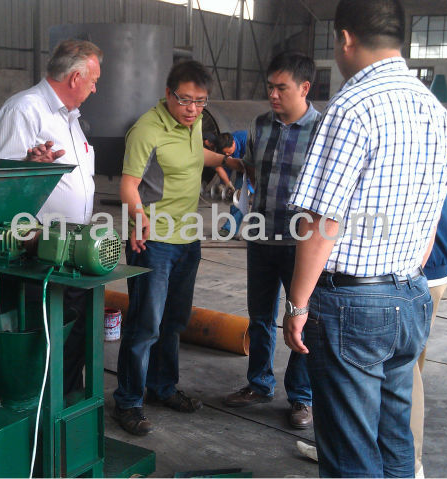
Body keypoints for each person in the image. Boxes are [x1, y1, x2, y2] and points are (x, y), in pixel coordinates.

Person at [282, 0, 447, 476]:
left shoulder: (352, 107)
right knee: (393, 438)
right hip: (410, 295)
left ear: (345, 39)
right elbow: (428, 223)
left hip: (353, 306)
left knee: (350, 450)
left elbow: (322, 221)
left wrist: (297, 304)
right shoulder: (436, 112)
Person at [112, 60, 242, 436]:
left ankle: (162, 388)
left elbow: (195, 155)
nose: (192, 109)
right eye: (185, 100)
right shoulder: (146, 130)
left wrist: (230, 161)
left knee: (173, 322)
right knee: (145, 324)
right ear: (168, 94)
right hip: (153, 242)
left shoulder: (193, 124)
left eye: (200, 102)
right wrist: (138, 217)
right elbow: (128, 185)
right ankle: (128, 401)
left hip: (187, 239)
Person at [0, 39, 102, 396]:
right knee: (43, 336)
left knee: (74, 331)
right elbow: (1, 188)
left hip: (71, 250)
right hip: (37, 254)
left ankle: (65, 400)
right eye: (93, 81)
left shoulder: (71, 119)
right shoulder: (25, 110)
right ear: (75, 78)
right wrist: (28, 167)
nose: (95, 89)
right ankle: (39, 403)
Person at [222, 51, 320, 430]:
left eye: (282, 88)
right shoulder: (260, 125)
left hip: (302, 246)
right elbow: (251, 171)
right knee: (260, 316)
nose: (273, 95)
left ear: (304, 88)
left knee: (302, 320)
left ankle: (301, 396)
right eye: (270, 87)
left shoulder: (322, 131)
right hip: (261, 238)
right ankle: (259, 384)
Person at [412, 194, 447, 478]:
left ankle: (410, 465)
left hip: (413, 273)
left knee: (403, 374)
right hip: (431, 269)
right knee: (406, 368)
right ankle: (351, 445)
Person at [214, 130, 249, 238]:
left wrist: (248, 187)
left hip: (259, 168)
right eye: (225, 153)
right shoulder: (223, 146)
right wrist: (226, 184)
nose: (227, 155)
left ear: (234, 143)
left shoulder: (249, 142)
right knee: (236, 198)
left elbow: (254, 168)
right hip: (242, 167)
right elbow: (222, 166)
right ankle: (230, 229)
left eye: (229, 152)